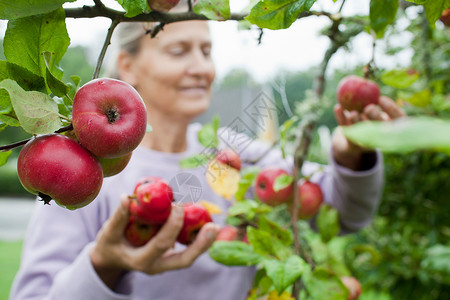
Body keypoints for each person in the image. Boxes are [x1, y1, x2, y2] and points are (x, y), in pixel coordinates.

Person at [9, 6, 405, 300]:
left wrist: (352, 154)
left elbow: (344, 213)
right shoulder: (83, 171)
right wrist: (104, 263)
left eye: (206, 50)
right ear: (126, 66)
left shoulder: (234, 153)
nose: (202, 67)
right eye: (180, 50)